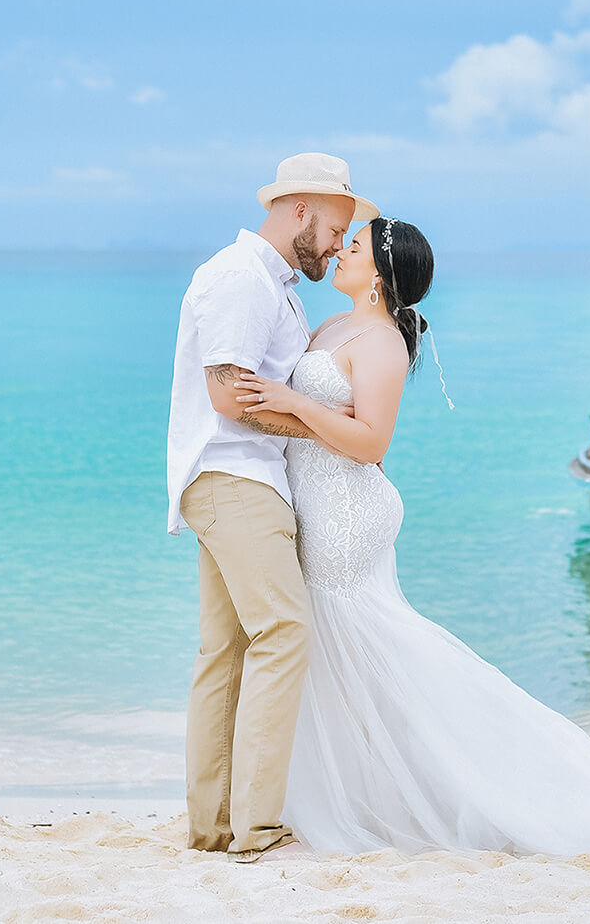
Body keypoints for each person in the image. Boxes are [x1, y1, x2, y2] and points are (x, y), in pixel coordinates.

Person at [234, 218, 590, 857]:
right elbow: (337, 420)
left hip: (345, 512)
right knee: (341, 657)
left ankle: (470, 782)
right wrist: (309, 409)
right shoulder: (335, 326)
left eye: (353, 248)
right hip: (322, 502)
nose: (340, 251)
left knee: (368, 652)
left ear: (378, 275)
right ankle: (360, 796)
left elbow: (372, 442)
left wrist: (294, 405)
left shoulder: (380, 340)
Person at [167, 152, 378, 861]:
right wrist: (331, 435)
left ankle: (215, 824)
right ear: (300, 211)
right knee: (285, 633)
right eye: (335, 227)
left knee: (225, 651)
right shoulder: (239, 277)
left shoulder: (276, 284)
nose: (337, 244)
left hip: (244, 478)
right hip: (236, 478)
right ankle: (256, 825)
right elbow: (231, 394)